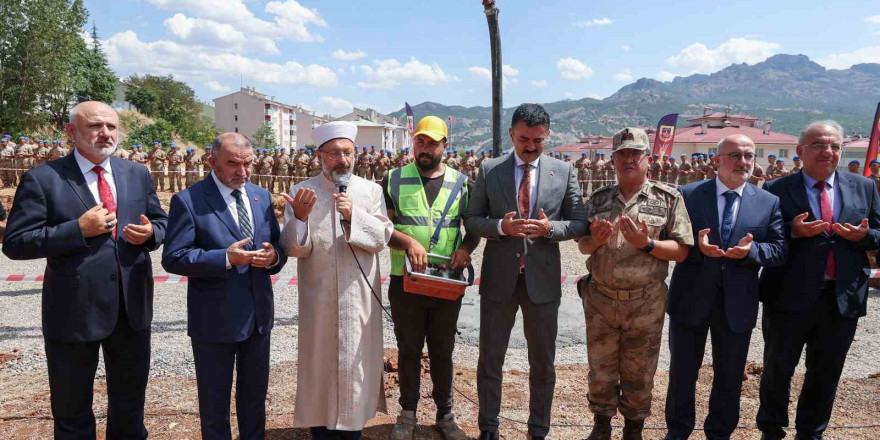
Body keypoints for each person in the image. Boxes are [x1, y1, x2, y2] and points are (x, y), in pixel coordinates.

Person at [2, 101, 167, 439]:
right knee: (72, 409)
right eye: (95, 126)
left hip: (131, 310)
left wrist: (153, 233)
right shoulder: (43, 179)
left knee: (129, 407)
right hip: (74, 313)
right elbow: (15, 242)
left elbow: (161, 221)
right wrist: (76, 229)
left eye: (111, 126)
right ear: (71, 132)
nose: (105, 133)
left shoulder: (136, 174)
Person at [464, 104, 587, 440]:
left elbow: (579, 221)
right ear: (510, 135)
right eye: (524, 139)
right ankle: (488, 428)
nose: (531, 147)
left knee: (543, 364)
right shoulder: (490, 170)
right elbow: (472, 219)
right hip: (498, 281)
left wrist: (551, 229)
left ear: (547, 136)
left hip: (543, 283)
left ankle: (538, 430)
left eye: (538, 140)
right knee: (490, 360)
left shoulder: (563, 172)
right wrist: (500, 227)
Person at [756, 121, 880, 440]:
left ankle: (811, 432)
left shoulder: (864, 187)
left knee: (826, 373)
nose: (828, 152)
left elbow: (879, 233)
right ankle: (771, 430)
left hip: (841, 298)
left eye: (834, 146)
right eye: (819, 145)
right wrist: (792, 231)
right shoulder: (776, 190)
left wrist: (866, 236)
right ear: (800, 151)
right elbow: (761, 238)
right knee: (777, 370)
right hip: (788, 296)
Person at [161, 133, 286, 440]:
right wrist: (226, 258)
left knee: (254, 399)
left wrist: (273, 257)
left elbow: (276, 248)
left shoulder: (259, 196)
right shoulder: (188, 200)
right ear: (212, 161)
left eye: (248, 164)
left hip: (258, 318)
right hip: (214, 322)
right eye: (233, 164)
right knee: (215, 405)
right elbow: (174, 257)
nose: (242, 172)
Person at [664, 135, 786, 440]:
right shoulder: (687, 195)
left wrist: (752, 252)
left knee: (730, 375)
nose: (743, 162)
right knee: (682, 372)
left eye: (748, 155)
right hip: (690, 298)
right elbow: (671, 242)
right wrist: (695, 248)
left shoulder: (768, 201)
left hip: (738, 303)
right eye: (735, 155)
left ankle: (719, 433)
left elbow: (779, 249)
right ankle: (678, 431)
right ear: (717, 160)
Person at [577, 127, 693, 440]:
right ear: (613, 159)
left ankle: (633, 430)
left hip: (645, 303)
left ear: (648, 159)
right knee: (600, 371)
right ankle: (601, 427)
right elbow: (583, 246)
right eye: (622, 153)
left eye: (635, 153)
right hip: (601, 300)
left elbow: (682, 251)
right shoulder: (598, 200)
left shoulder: (668, 198)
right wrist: (594, 241)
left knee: (639, 373)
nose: (629, 158)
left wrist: (648, 244)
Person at [279, 121, 392, 440]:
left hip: (358, 301)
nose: (342, 160)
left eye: (348, 153)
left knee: (354, 372)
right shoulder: (303, 192)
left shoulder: (370, 191)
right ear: (320, 156)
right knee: (321, 370)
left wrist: (352, 215)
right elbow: (293, 248)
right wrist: (299, 218)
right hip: (320, 301)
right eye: (335, 154)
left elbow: (382, 237)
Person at [384, 116, 477, 440]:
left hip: (445, 283)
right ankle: (407, 415)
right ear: (414, 143)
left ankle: (445, 417)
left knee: (442, 351)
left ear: (444, 146)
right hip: (406, 282)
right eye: (420, 142)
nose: (425, 149)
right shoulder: (393, 179)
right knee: (408, 350)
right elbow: (384, 228)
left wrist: (465, 249)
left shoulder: (462, 183)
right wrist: (408, 242)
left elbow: (473, 228)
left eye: (432, 143)